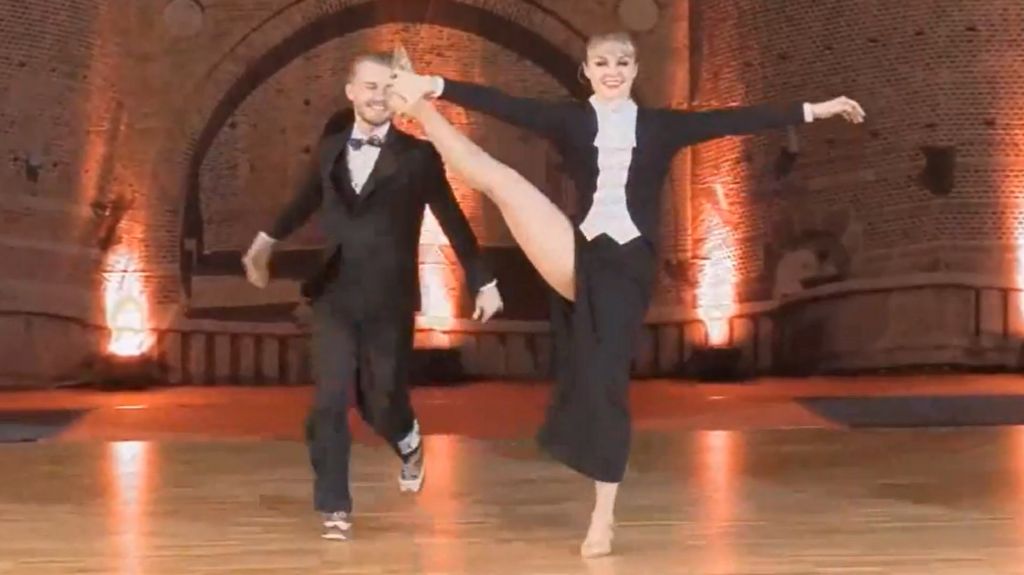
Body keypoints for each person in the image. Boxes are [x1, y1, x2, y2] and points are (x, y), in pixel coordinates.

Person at [386, 32, 864, 557]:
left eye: (621, 62)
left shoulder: (661, 127)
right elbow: (505, 104)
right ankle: (417, 102)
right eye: (601, 62)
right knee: (501, 182)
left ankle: (603, 517)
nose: (612, 70)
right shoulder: (571, 120)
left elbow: (735, 119)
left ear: (634, 70)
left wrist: (815, 109)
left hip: (628, 269)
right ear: (587, 71)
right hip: (580, 253)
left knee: (607, 381)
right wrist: (435, 83)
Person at [241, 51, 504, 541]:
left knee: (381, 402)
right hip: (334, 294)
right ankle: (335, 506)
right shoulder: (330, 150)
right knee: (329, 400)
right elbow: (302, 201)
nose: (378, 96)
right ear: (350, 92)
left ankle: (407, 437)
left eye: (387, 87)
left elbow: (451, 217)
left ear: (398, 97)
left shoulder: (418, 157)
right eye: (369, 86)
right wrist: (264, 243)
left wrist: (482, 279)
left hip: (388, 299)